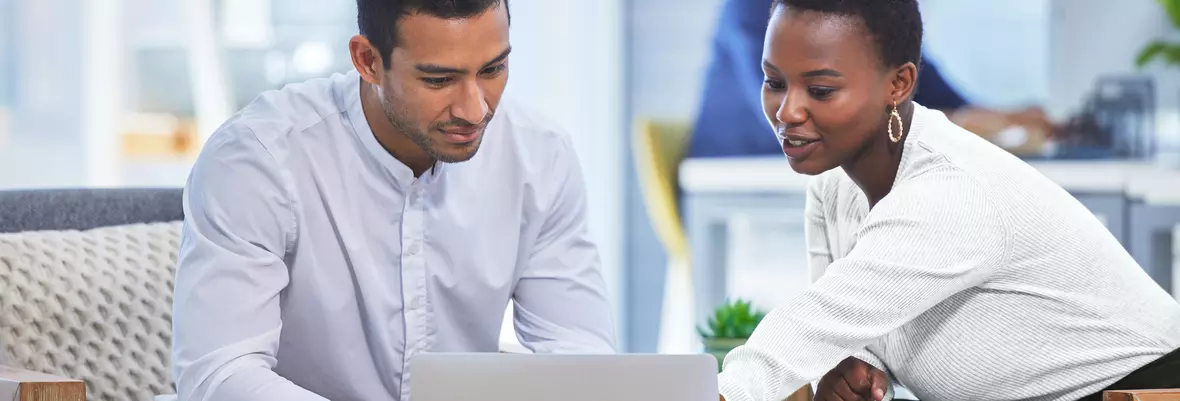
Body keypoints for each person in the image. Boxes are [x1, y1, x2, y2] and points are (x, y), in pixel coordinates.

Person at [715, 1, 1180, 401]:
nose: (787, 111)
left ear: (898, 84)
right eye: (774, 81)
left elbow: (805, 330)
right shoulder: (833, 185)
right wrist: (856, 363)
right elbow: (842, 320)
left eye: (820, 90)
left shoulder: (950, 192)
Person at [170, 1, 617, 400]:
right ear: (367, 61)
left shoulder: (540, 157)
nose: (474, 109)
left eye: (493, 70)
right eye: (439, 79)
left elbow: (579, 354)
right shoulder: (258, 159)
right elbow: (220, 373)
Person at [688, 0, 1053, 159]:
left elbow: (916, 77)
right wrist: (957, 122)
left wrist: (1000, 117)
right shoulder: (754, 8)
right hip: (744, 183)